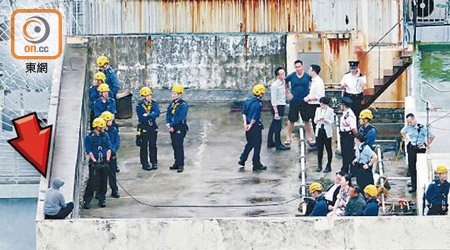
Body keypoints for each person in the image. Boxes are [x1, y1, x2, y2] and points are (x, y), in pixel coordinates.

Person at [401, 113, 435, 193]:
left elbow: (432, 136)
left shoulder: (422, 128)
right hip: (412, 148)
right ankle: (414, 186)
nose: (409, 124)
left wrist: (426, 145)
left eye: (410, 122)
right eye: (408, 122)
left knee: (420, 167)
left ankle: (422, 184)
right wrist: (407, 139)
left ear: (414, 119)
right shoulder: (408, 127)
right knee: (412, 167)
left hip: (420, 149)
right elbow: (402, 132)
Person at [83, 118, 112, 209]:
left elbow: (109, 148)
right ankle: (87, 200)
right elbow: (89, 150)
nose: (104, 128)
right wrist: (95, 161)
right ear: (98, 127)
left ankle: (101, 198)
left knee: (104, 180)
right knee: (92, 181)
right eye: (102, 126)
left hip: (103, 160)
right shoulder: (89, 137)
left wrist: (107, 159)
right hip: (95, 162)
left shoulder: (105, 135)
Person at [239, 84, 267, 171]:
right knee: (257, 145)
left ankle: (242, 158)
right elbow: (255, 117)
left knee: (250, 143)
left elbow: (244, 112)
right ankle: (256, 163)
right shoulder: (258, 104)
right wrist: (250, 125)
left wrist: (245, 124)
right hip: (255, 126)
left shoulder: (247, 101)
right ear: (261, 94)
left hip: (247, 125)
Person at [284, 60, 312, 145]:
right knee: (291, 119)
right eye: (296, 67)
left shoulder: (307, 76)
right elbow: (284, 82)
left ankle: (309, 137)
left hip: (305, 101)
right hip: (294, 101)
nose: (298, 68)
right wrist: (288, 93)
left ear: (302, 66)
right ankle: (288, 137)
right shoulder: (292, 76)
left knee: (307, 119)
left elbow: (314, 83)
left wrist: (310, 95)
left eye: (299, 67)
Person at [136, 87, 160, 171]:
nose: (149, 97)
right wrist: (151, 114)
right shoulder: (139, 106)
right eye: (147, 95)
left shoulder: (153, 104)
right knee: (144, 146)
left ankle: (154, 162)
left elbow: (157, 113)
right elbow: (141, 117)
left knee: (153, 145)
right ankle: (145, 163)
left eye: (150, 95)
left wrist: (149, 115)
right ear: (143, 97)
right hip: (144, 126)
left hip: (152, 126)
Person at [166, 85, 189, 173]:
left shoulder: (183, 105)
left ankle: (180, 164)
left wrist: (171, 124)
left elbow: (180, 117)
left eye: (175, 94)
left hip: (180, 127)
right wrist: (169, 124)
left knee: (179, 146)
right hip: (173, 127)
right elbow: (168, 114)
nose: (173, 95)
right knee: (174, 145)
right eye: (173, 93)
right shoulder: (172, 104)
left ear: (179, 94)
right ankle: (176, 162)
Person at [267, 67, 290, 150]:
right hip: (276, 106)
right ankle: (278, 144)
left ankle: (270, 142)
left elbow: (286, 90)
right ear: (277, 76)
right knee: (277, 125)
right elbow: (274, 100)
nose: (284, 75)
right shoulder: (275, 86)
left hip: (281, 104)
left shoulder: (283, 82)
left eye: (284, 73)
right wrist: (276, 112)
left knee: (274, 124)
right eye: (282, 74)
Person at [304, 64, 325, 145]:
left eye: (310, 70)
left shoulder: (319, 82)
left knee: (317, 124)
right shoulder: (314, 81)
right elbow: (312, 93)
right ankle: (318, 141)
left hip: (316, 105)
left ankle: (319, 142)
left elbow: (319, 96)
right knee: (314, 123)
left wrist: (309, 98)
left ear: (314, 72)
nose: (309, 71)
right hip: (311, 104)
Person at [101, 111, 120, 198]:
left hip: (112, 155)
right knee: (102, 176)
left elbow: (117, 142)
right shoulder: (101, 133)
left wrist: (113, 150)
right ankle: (100, 192)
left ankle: (114, 189)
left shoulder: (113, 130)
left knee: (112, 174)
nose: (112, 122)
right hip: (104, 156)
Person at [314, 97, 334, 172]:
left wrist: (326, 120)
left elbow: (332, 121)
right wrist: (319, 119)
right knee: (319, 148)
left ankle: (328, 165)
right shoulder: (317, 110)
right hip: (319, 129)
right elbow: (315, 120)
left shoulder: (330, 111)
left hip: (327, 130)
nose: (322, 105)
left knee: (328, 148)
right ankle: (319, 165)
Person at [339, 96, 358, 175]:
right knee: (344, 153)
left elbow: (353, 128)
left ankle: (352, 171)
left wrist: (356, 138)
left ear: (344, 105)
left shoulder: (350, 115)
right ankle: (344, 168)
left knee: (350, 153)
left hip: (348, 135)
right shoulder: (345, 113)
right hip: (343, 134)